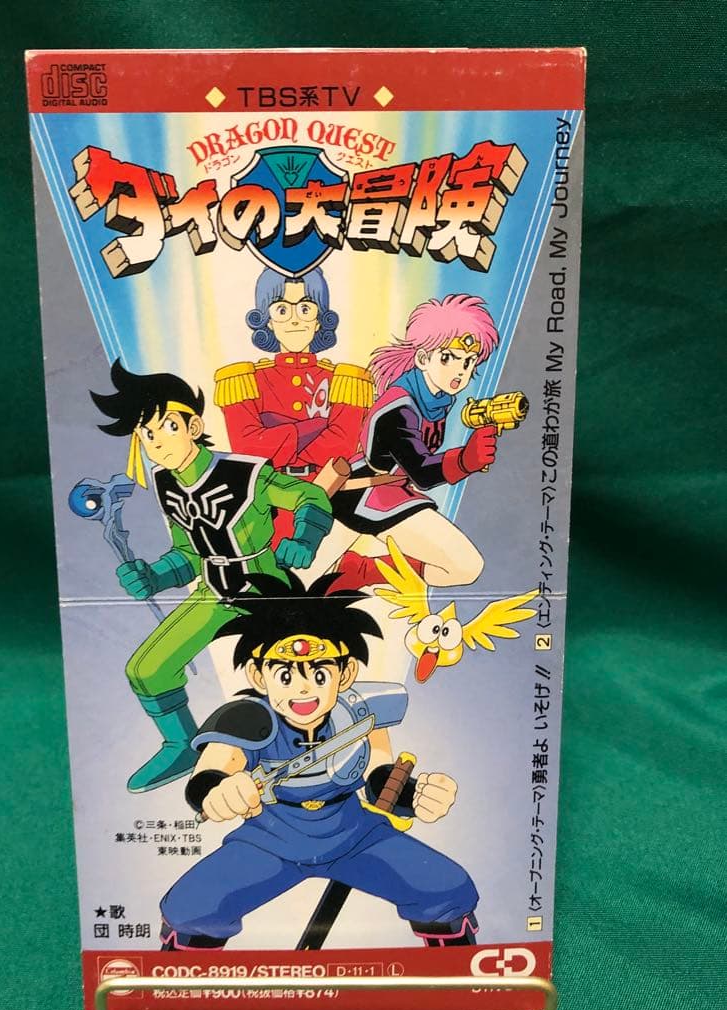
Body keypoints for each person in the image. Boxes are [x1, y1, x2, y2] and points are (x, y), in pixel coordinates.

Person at [159, 572, 479, 949]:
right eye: (285, 674)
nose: (304, 688)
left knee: (446, 889)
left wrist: (415, 795)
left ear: (346, 673)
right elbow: (209, 774)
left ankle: (457, 972)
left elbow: (380, 777)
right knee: (192, 908)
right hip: (269, 840)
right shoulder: (245, 718)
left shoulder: (362, 713)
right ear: (258, 675)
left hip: (355, 834)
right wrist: (220, 792)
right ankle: (183, 980)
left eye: (320, 672)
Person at [91, 361, 333, 793]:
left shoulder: (244, 473)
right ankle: (181, 745)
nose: (156, 442)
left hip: (266, 592)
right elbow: (188, 553)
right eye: (146, 434)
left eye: (166, 427)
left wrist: (304, 539)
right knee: (146, 669)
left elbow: (309, 496)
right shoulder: (167, 483)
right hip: (214, 593)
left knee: (292, 672)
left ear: (193, 426)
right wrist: (153, 576)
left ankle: (306, 745)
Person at [321, 294, 501, 589]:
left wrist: (469, 458)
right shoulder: (399, 407)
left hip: (393, 492)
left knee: (464, 567)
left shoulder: (436, 398)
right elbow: (422, 471)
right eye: (448, 358)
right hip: (363, 496)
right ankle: (358, 571)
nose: (460, 371)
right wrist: (464, 460)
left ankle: (359, 571)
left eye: (469, 362)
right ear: (423, 358)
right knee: (464, 565)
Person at [214, 267, 372, 543]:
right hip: (266, 501)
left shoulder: (345, 379)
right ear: (267, 321)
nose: (295, 319)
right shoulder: (242, 379)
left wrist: (276, 435)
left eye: (305, 308)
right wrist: (315, 426)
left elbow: (342, 447)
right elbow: (248, 448)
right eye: (282, 310)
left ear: (320, 320)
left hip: (330, 495)